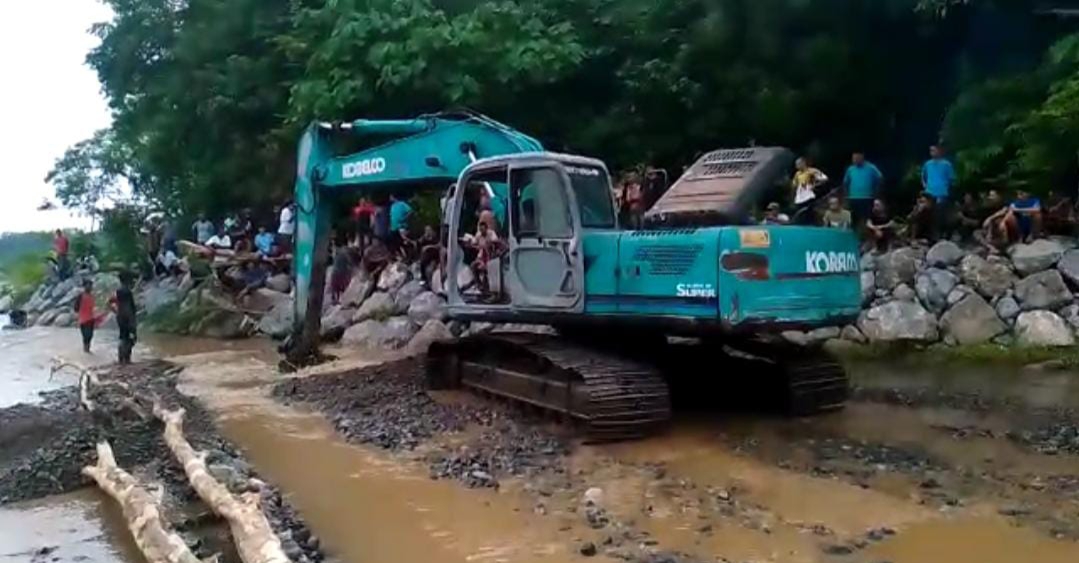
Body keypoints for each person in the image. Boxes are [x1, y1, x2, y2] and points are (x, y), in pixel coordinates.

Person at [842, 151, 883, 232]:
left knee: (867, 219)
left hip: (867, 198)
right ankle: (854, 236)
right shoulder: (851, 169)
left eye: (856, 158)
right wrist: (847, 196)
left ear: (861, 157)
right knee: (854, 219)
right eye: (853, 159)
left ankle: (867, 237)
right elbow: (845, 182)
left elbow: (880, 179)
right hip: (853, 198)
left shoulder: (871, 167)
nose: (854, 160)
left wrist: (875, 192)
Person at [921, 145, 956, 238]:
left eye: (934, 150)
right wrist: (925, 186)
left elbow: (952, 179)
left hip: (942, 192)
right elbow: (923, 176)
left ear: (940, 151)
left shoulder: (946, 164)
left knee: (940, 213)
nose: (932, 152)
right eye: (931, 150)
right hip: (929, 192)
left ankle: (942, 234)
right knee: (929, 213)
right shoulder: (927, 164)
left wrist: (947, 187)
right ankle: (931, 235)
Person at [792, 157, 829, 224]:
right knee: (800, 215)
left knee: (808, 214)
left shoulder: (812, 171)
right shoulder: (797, 174)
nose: (796, 166)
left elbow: (825, 179)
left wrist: (815, 185)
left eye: (798, 164)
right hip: (799, 198)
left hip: (808, 196)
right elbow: (795, 185)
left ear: (803, 163)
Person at [110, 273, 137, 364]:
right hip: (128, 317)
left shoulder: (117, 291)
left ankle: (121, 359)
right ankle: (127, 358)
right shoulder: (127, 292)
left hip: (120, 316)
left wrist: (115, 311)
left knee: (123, 337)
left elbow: (110, 302)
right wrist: (132, 320)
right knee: (130, 338)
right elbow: (131, 306)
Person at [74, 279, 96, 353]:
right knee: (86, 335)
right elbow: (76, 307)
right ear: (84, 286)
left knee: (90, 335)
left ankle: (87, 349)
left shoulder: (92, 296)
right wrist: (77, 317)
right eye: (88, 285)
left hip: (91, 319)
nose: (90, 287)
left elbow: (93, 307)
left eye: (91, 285)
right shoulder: (80, 296)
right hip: (83, 319)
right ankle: (86, 349)